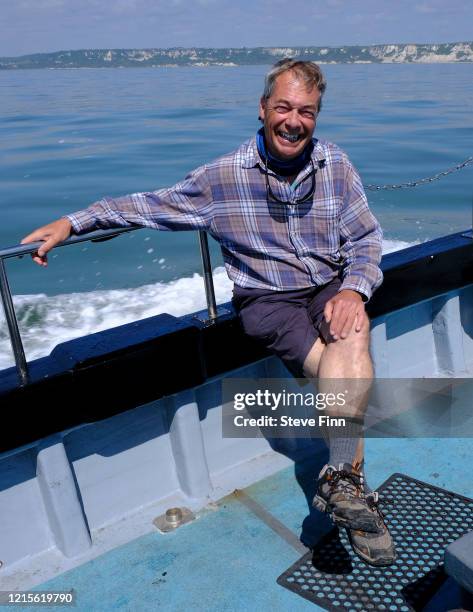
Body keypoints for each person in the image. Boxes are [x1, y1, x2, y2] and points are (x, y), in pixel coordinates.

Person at [21, 59, 395, 566]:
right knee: (344, 381)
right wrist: (72, 221)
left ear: (317, 116)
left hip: (329, 286)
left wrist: (353, 289)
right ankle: (352, 491)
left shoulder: (337, 166)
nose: (294, 121)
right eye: (283, 107)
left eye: (306, 112)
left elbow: (367, 239)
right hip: (269, 299)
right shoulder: (221, 178)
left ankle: (343, 488)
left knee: (353, 332)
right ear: (263, 109)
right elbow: (145, 205)